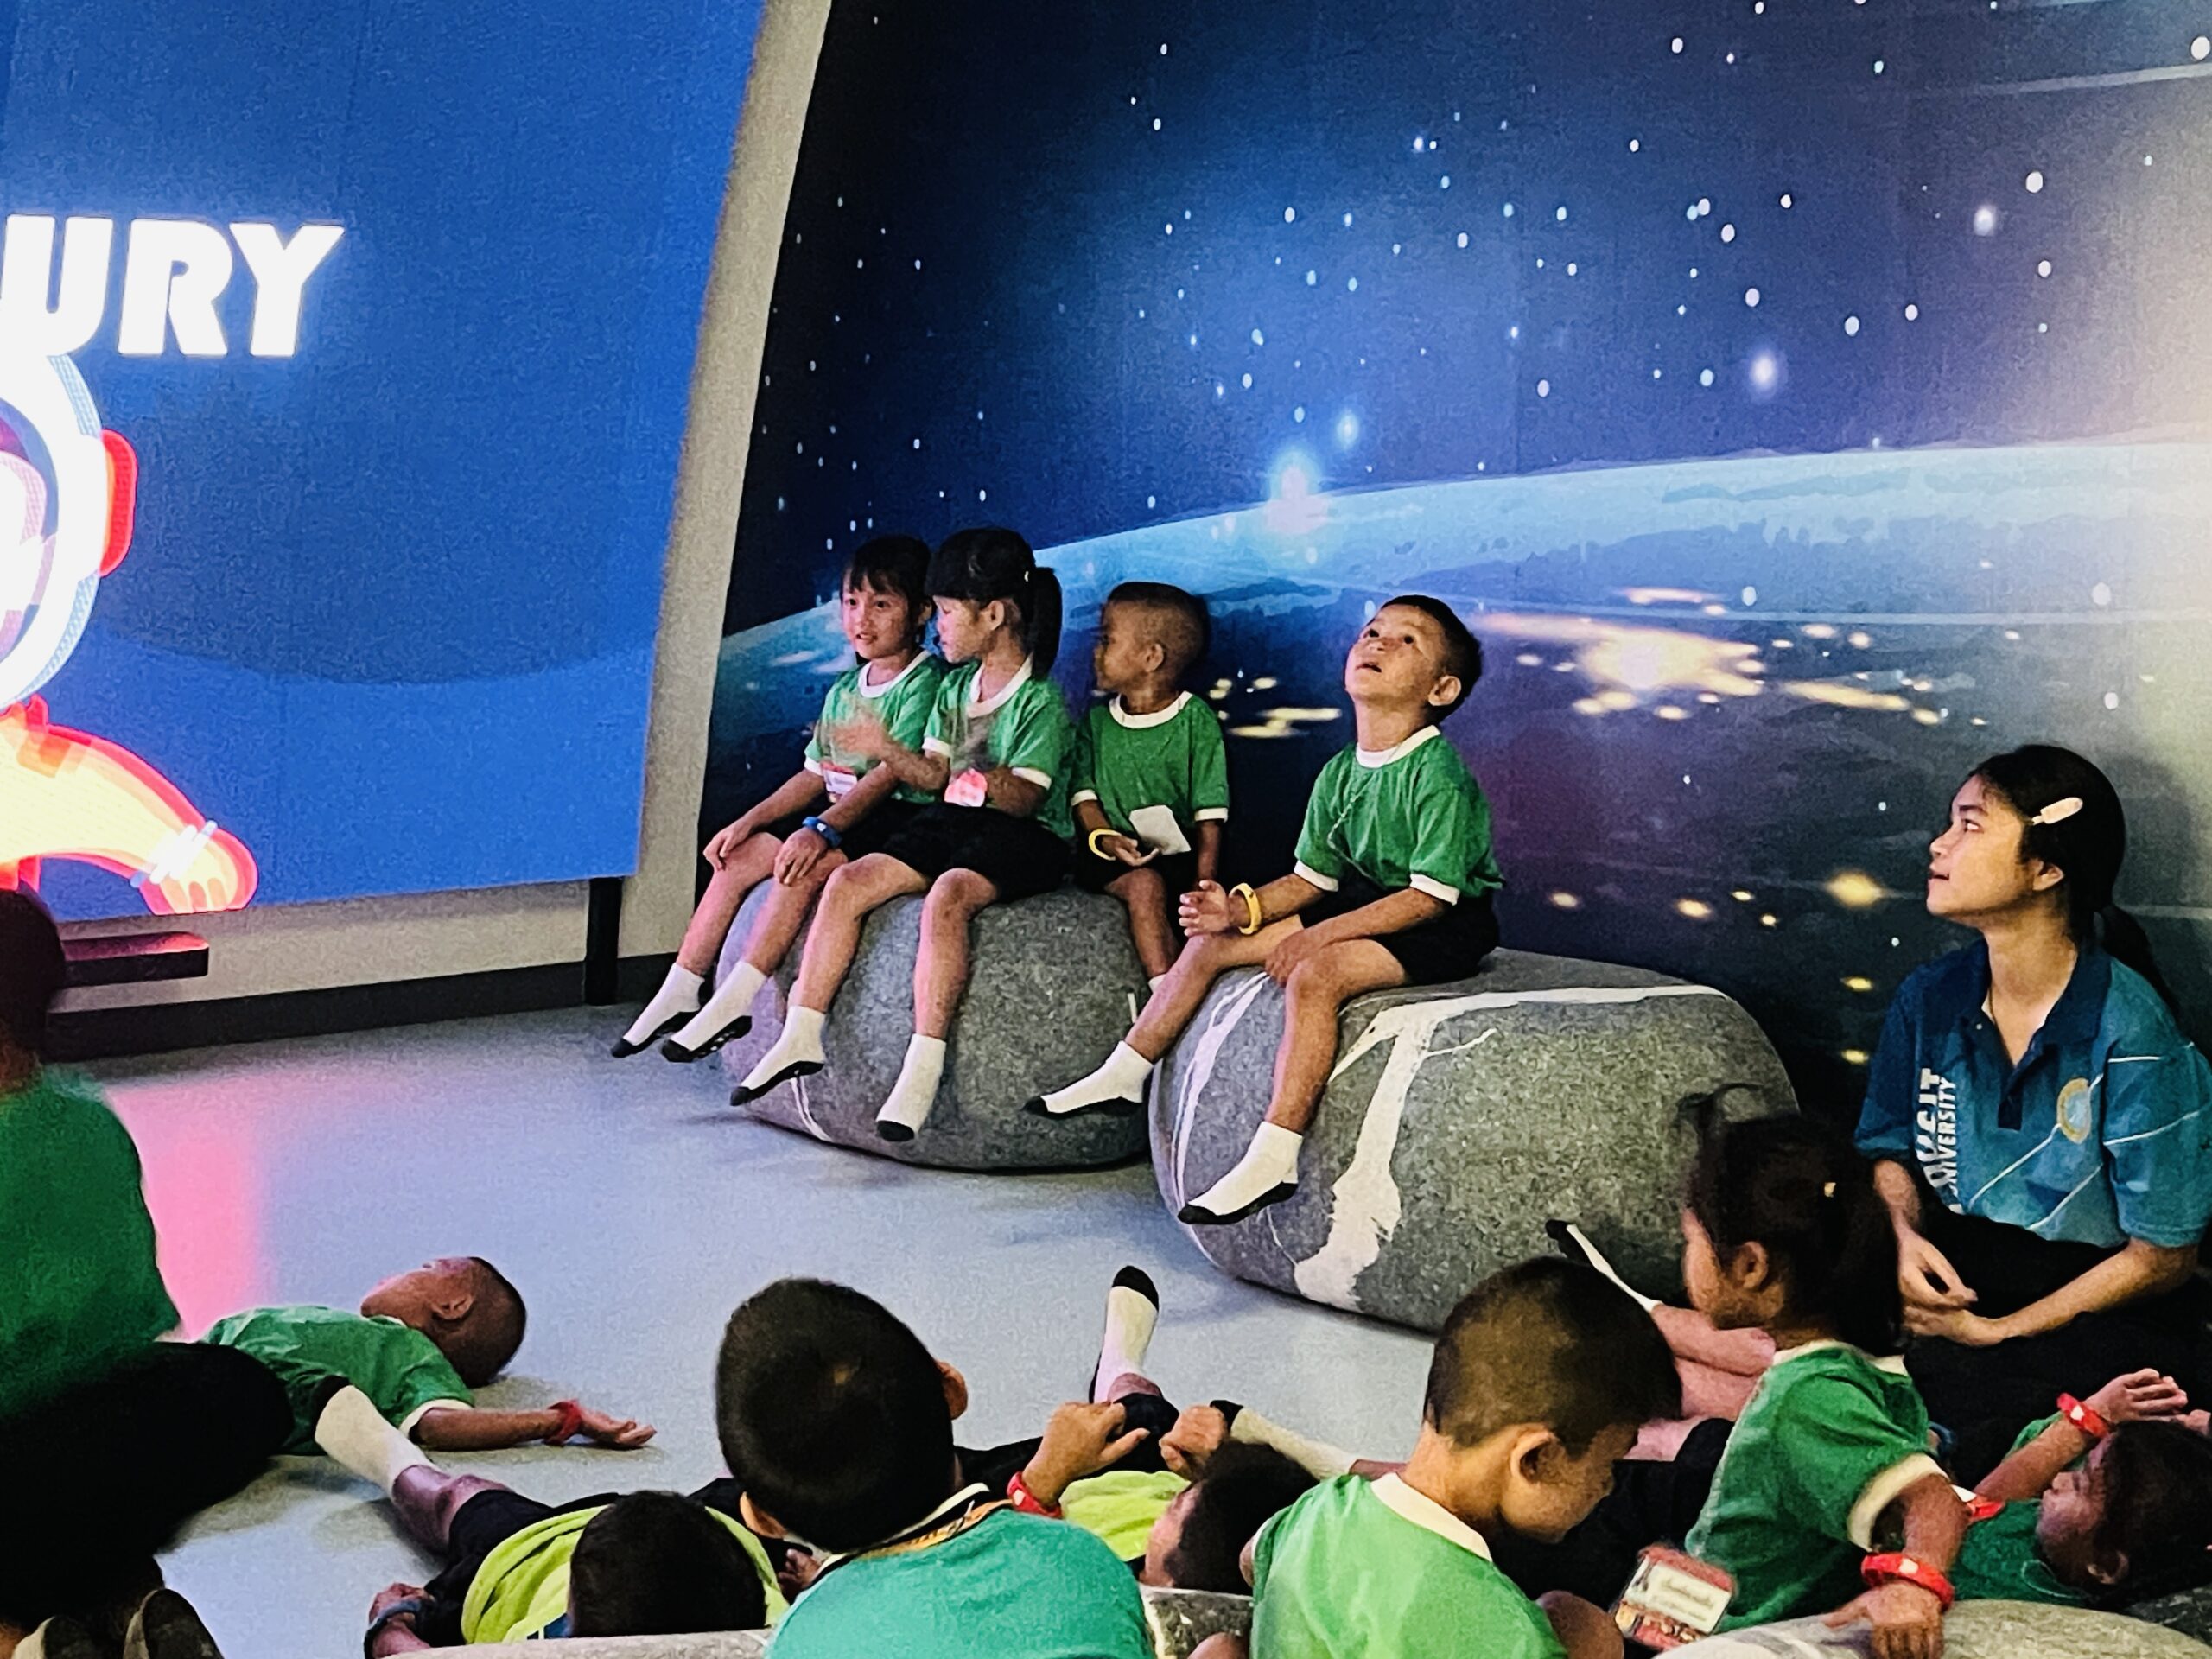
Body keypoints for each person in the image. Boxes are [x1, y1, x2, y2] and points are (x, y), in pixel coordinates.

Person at [1032, 596, 1502, 1224]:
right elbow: (1310, 880)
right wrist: (1236, 910)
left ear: (1442, 689)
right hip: (1366, 899)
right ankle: (1127, 1069)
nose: (1379, 643)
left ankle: (1275, 1153)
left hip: (1442, 921)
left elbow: (1429, 896)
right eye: (1373, 630)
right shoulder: (1339, 771)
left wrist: (1316, 940)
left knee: (1316, 976)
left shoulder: (1437, 772)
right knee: (1209, 945)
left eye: (1408, 640)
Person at [1854, 745, 2212, 1481]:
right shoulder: (1930, 997)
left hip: (2095, 1304)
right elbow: (1889, 1149)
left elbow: (2163, 1256)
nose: (1938, 845)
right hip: (1958, 1269)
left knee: (1960, 1413)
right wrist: (1900, 1237)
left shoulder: (2133, 1031)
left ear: (2046, 868)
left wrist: (1995, 1331)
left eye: (1970, 825)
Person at [0, 890, 290, 1655]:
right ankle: (132, 1604)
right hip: (112, 1428)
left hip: (20, 1463)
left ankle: (22, 1641)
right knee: (235, 1384)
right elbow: (136, 1319)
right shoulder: (87, 1118)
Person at [734, 528, 1074, 1141]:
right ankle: (803, 1030)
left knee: (948, 895)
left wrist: (977, 781)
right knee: (849, 881)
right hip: (957, 818)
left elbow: (1025, 797)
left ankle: (924, 1062)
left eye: (946, 611)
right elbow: (933, 774)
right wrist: (887, 747)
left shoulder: (1040, 700)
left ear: (993, 615)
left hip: (1025, 836)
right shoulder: (954, 688)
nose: (939, 626)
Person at [1243, 1257, 1681, 1659]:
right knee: (1584, 1627)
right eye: (1607, 1466)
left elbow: (1250, 1560)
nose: (1607, 1487)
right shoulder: (1501, 1631)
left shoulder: (1319, 1508)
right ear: (1536, 1459)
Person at [617, 535, 943, 1060]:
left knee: (801, 865)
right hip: (836, 816)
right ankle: (681, 986)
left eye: (882, 604)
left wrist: (821, 830)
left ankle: (737, 999)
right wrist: (747, 822)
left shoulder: (926, 683)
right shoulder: (846, 688)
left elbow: (885, 778)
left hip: (889, 819)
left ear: (922, 610)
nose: (861, 619)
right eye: (852, 602)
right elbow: (814, 773)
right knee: (739, 857)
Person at [714, 1278, 1153, 1659]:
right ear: (951, 1390)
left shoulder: (799, 1642)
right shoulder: (1086, 1559)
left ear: (764, 1518)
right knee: (1144, 1422)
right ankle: (1125, 1382)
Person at [1677, 1111, 1967, 1659]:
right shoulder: (1854, 1358)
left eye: (1691, 1240)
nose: (1685, 1258)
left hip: (1729, 1631)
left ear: (1750, 1266)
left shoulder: (1806, 1402)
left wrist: (1915, 1583)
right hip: (1712, 1587)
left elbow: (1934, 1498)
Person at [202, 1262, 655, 1469]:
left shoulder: (414, 1356)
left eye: (425, 1267)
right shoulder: (369, 1333)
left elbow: (442, 1426)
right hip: (206, 1363)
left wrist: (559, 1420)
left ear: (452, 1306)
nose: (397, 1272)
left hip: (231, 1395)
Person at [359, 1475, 784, 1650]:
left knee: (460, 1495)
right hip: (699, 1534)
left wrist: (390, 1623)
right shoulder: (778, 1634)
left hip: (519, 1557)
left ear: (570, 1624)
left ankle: (391, 1458)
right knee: (744, 1501)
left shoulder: (533, 1648)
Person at [1065, 582, 1229, 986]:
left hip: (1177, 856)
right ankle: (1164, 991)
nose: (1095, 651)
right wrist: (1105, 838)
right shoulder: (1095, 723)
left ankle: (1184, 989)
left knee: (1173, 896)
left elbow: (1209, 813)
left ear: (1151, 657)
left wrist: (1203, 886)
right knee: (1144, 887)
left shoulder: (1195, 720)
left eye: (1107, 640)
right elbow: (1084, 795)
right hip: (1108, 854)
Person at [1947, 1366, 2212, 1610]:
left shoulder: (2001, 1593)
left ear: (2105, 1565)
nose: (2059, 1478)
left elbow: (1976, 1503)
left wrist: (2091, 1415)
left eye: (2078, 1485)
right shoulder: (2066, 1541)